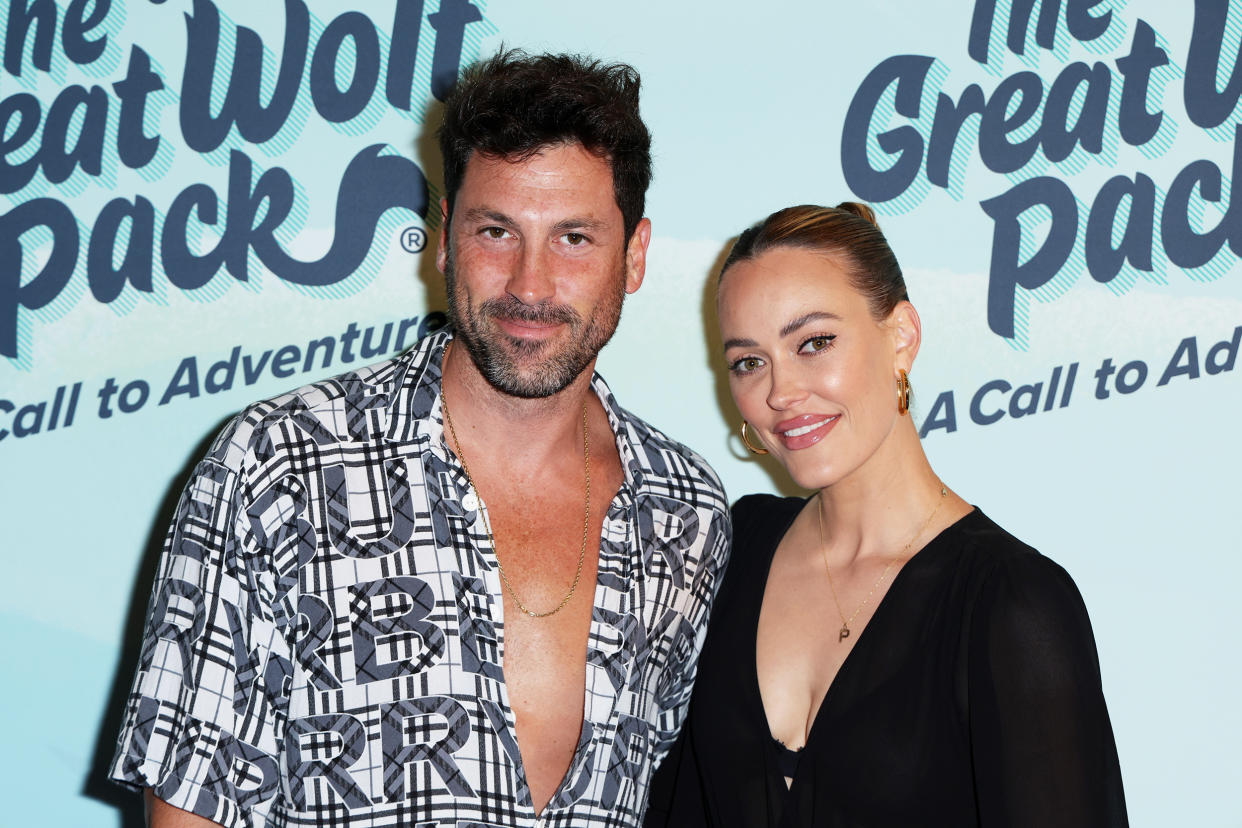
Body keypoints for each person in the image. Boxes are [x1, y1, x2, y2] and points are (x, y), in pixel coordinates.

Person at [109, 50, 731, 828]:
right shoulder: (278, 467)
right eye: (496, 230)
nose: (530, 285)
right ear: (444, 238)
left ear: (634, 255)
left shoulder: (688, 513)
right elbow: (192, 808)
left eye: (574, 238)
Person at [646, 203, 1127, 827]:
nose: (781, 391)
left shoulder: (1011, 602)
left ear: (901, 337)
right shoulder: (730, 549)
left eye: (814, 343)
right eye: (749, 360)